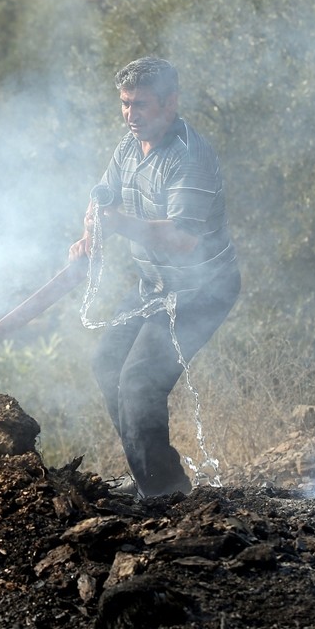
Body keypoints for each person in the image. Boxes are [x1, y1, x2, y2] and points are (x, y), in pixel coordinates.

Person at [69, 57, 240, 499]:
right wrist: (88, 236)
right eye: (125, 104)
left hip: (201, 290)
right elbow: (101, 198)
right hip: (154, 286)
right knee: (107, 363)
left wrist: (117, 223)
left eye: (141, 105)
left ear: (170, 103)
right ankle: (151, 479)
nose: (131, 115)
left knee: (140, 381)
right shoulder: (128, 146)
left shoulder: (189, 155)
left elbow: (183, 239)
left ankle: (167, 495)